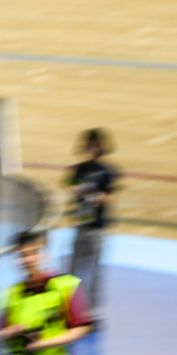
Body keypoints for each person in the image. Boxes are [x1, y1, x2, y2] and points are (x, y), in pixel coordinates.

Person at [63, 128, 118, 307]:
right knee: (73, 270)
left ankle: (92, 312)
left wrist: (89, 194)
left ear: (102, 147)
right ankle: (69, 309)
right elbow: (71, 188)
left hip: (97, 228)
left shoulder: (107, 171)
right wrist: (90, 193)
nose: (92, 148)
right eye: (90, 145)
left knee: (94, 272)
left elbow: (109, 196)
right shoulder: (79, 169)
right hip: (80, 225)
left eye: (96, 145)